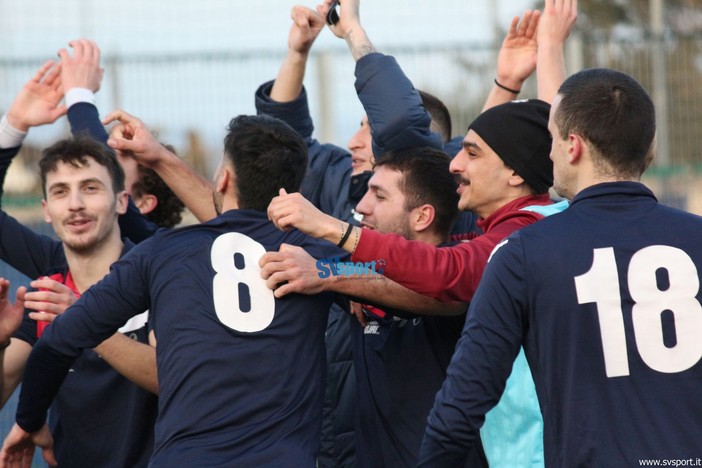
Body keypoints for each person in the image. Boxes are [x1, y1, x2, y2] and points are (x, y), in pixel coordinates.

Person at [0, 114, 348, 467]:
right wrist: (333, 266)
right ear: (296, 193)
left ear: (222, 179)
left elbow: (57, 342)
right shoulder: (316, 256)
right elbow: (384, 271)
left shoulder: (163, 251)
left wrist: (29, 420)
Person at [419, 67, 702, 466]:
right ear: (649, 150)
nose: (547, 153)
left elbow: (458, 410)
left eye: (552, 140)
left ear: (572, 147)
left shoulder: (524, 253)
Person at [266, 146, 487, 467]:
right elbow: (237, 230)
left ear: (422, 216)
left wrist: (331, 275)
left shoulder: (466, 268)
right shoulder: (355, 268)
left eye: (379, 197)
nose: (361, 207)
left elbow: (443, 294)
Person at [0, 135, 157, 467]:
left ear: (121, 201)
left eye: (90, 188)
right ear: (46, 210)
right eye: (60, 191)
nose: (74, 204)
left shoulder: (157, 281)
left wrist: (82, 320)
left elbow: (174, 379)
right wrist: (0, 342)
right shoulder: (45, 295)